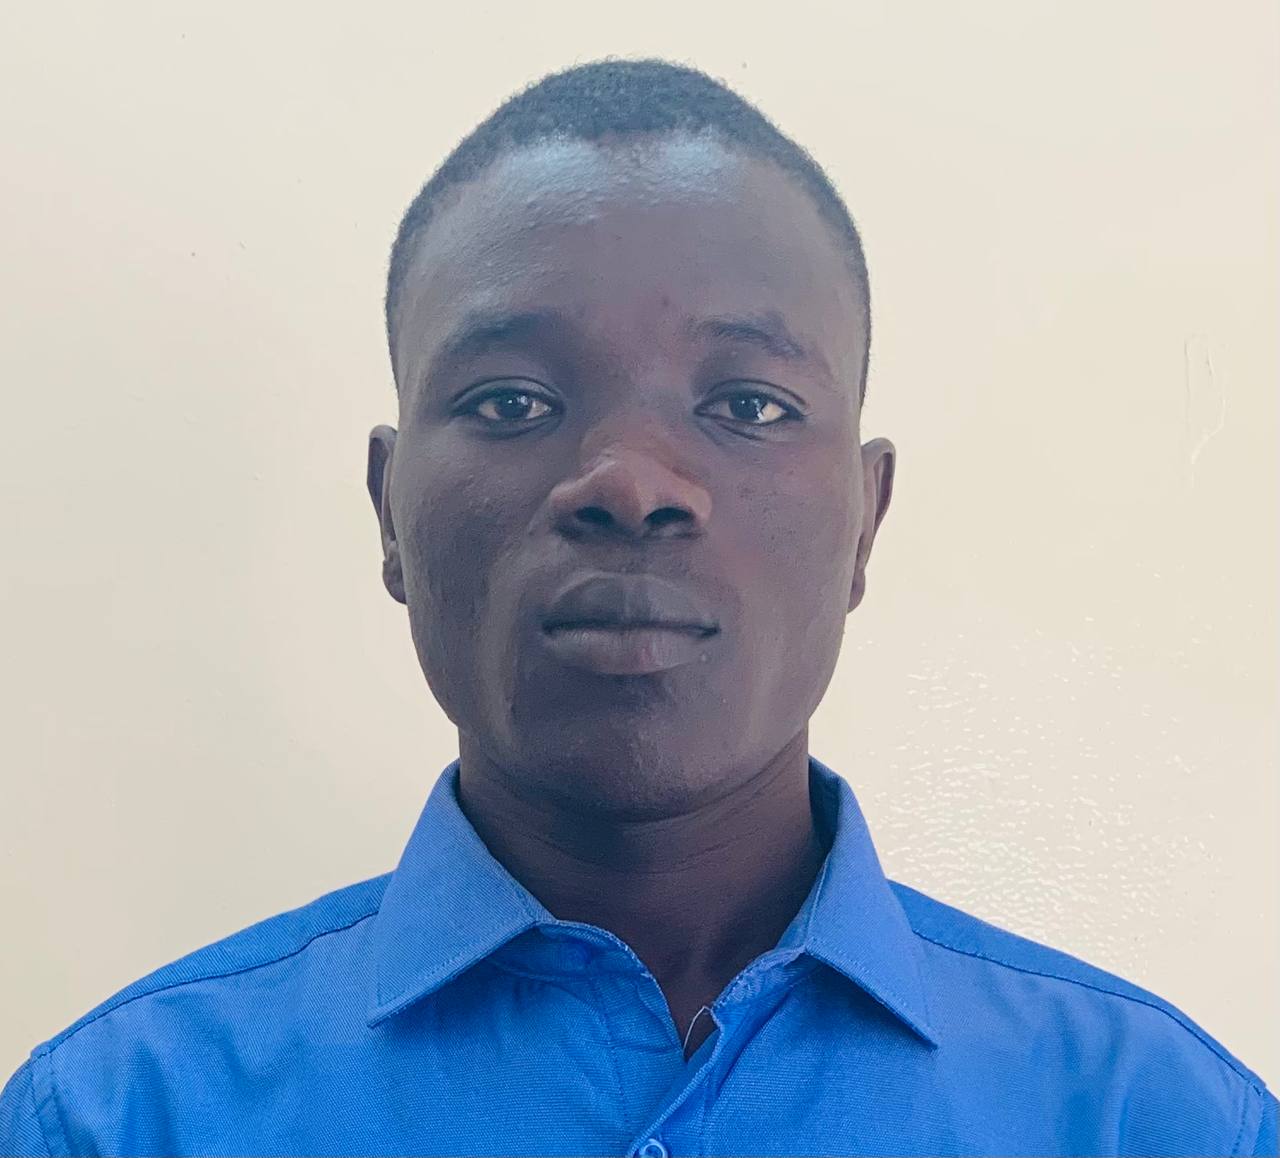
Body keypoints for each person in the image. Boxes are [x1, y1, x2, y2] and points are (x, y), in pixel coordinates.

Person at [1, 56, 1274, 1158]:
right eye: (510, 400)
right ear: (389, 510)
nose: (629, 482)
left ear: (864, 520)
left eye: (748, 405)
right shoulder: (117, 1120)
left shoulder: (1155, 1123)